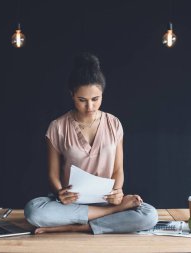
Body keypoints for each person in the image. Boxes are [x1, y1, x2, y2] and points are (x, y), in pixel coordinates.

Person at [24, 53, 158, 234]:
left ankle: (76, 226)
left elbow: (118, 169)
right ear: (71, 94)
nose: (90, 107)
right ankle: (111, 215)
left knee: (149, 215)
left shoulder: (114, 123)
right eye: (82, 100)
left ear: (102, 94)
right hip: (71, 204)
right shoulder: (57, 127)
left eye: (96, 99)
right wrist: (59, 193)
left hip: (105, 199)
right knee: (33, 210)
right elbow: (53, 174)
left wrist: (117, 192)